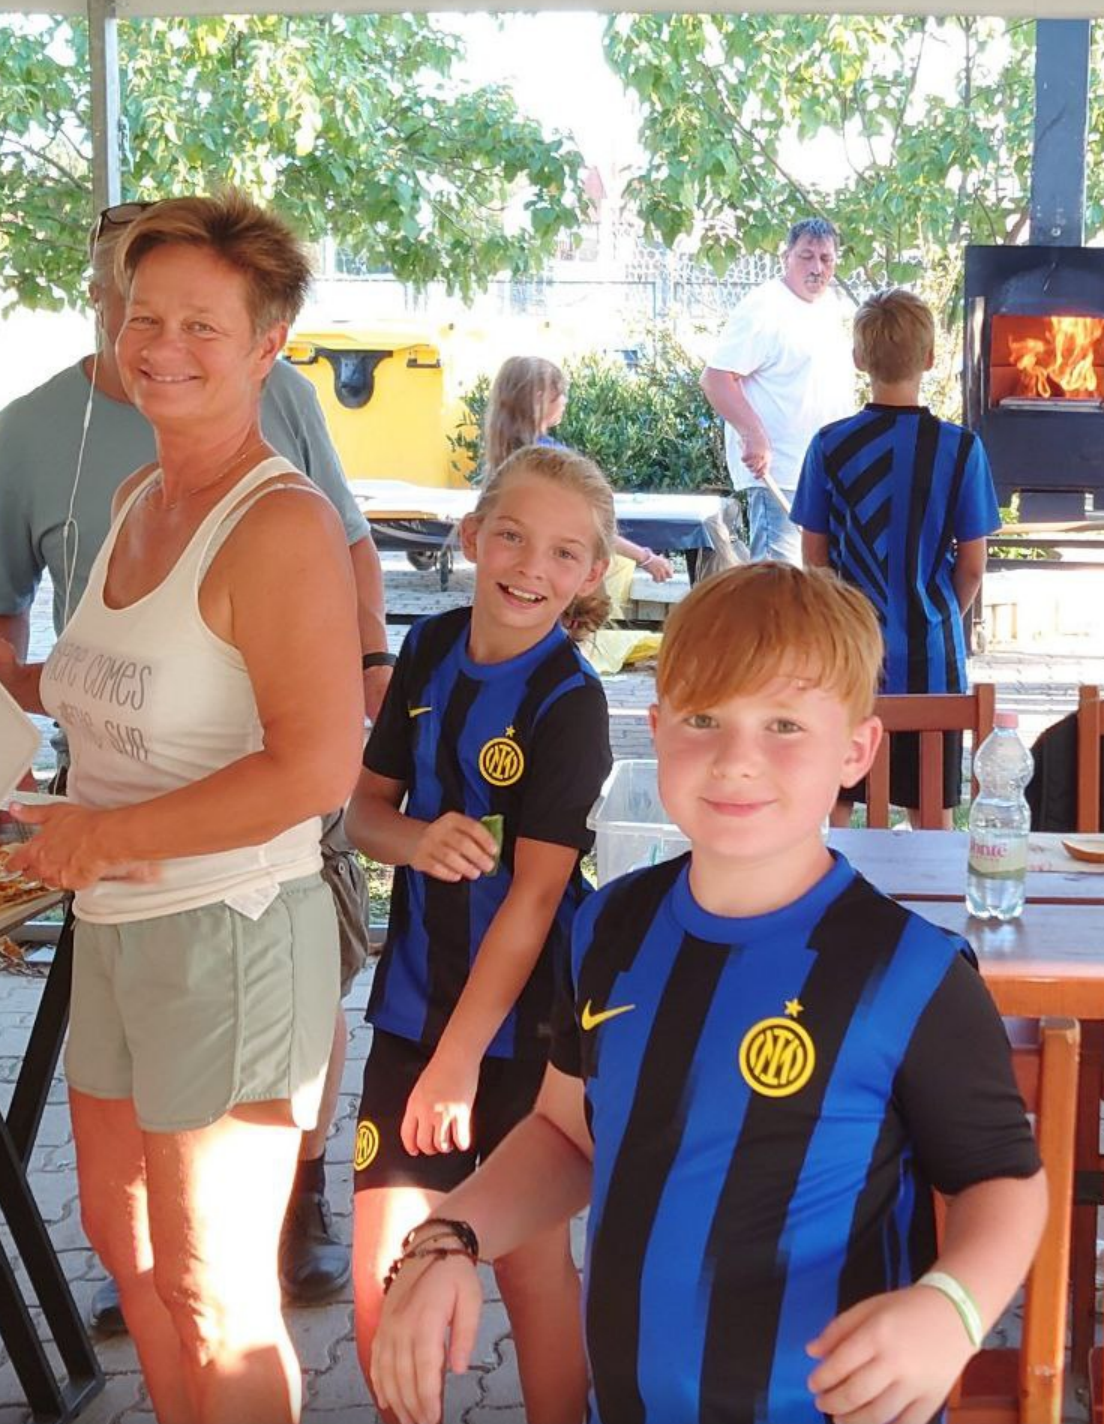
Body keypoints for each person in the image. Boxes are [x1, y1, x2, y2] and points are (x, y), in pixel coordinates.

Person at [371, 562, 1047, 1424]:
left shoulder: (910, 974)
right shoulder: (608, 927)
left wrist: (952, 1307)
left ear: (855, 751)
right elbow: (566, 1135)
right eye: (702, 718)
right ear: (654, 729)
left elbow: (1005, 1180)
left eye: (783, 725)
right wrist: (448, 1240)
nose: (735, 760)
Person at [0, 191, 363, 1424]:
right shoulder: (136, 501)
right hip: (116, 925)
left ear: (266, 347)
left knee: (217, 1292)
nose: (160, 343)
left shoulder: (279, 522)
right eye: (143, 314)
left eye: (202, 326)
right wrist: (0, 675)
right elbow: (121, 688)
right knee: (128, 1253)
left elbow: (317, 767)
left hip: (229, 930)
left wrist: (104, 837)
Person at [346, 443, 614, 1423]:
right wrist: (416, 838)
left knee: (531, 1268)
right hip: (412, 1008)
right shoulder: (423, 651)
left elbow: (536, 898)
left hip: (522, 1036)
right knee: (385, 1275)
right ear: (471, 537)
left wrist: (459, 1061)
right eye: (511, 534)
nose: (530, 566)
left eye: (564, 553)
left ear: (590, 575)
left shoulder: (569, 702)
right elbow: (361, 816)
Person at [794, 288, 1000, 828]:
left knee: (836, 800)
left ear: (860, 360)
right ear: (930, 359)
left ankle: (836, 900)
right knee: (931, 806)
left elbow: (815, 562)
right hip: (933, 658)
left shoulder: (828, 446)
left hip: (849, 653)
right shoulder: (961, 449)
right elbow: (973, 566)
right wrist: (938, 615)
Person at [700, 218, 857, 564]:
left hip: (824, 472)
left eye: (826, 259)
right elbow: (716, 378)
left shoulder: (830, 306)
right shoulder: (764, 308)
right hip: (782, 473)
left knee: (818, 582)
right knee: (778, 582)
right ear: (786, 256)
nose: (816, 267)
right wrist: (754, 433)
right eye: (806, 256)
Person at [482, 357, 674, 583]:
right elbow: (591, 529)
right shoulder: (549, 459)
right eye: (561, 393)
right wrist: (646, 558)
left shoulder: (505, 455)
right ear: (540, 397)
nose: (565, 401)